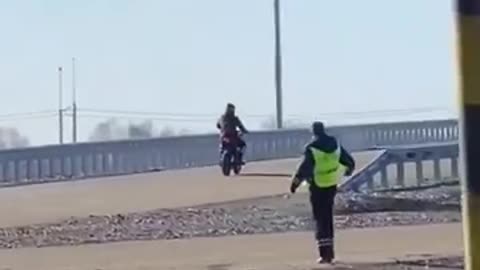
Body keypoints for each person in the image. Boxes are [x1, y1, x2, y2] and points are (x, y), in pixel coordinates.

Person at [289, 121, 355, 264]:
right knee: (327, 217)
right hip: (331, 184)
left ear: (313, 132)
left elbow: (305, 168)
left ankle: (324, 254)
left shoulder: (312, 148)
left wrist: (295, 183)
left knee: (320, 219)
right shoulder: (335, 144)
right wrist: (348, 171)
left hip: (318, 185)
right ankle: (330, 253)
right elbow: (349, 161)